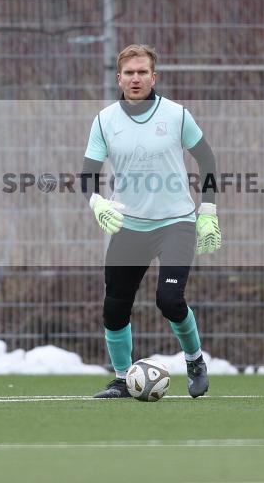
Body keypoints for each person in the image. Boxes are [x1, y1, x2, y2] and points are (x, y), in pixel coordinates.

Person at [80, 44, 221, 399]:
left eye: (143, 72)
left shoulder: (176, 115)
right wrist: (96, 201)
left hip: (176, 223)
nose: (136, 78)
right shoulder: (104, 120)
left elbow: (207, 161)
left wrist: (208, 211)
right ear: (119, 78)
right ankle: (122, 379)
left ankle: (194, 360)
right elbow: (87, 175)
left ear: (154, 77)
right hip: (131, 225)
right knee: (115, 306)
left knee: (170, 300)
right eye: (129, 72)